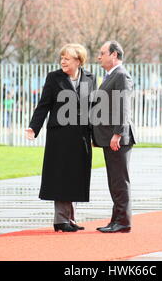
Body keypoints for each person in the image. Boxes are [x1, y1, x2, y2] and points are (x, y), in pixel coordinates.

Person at [25, 43, 96, 232]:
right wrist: (34, 127)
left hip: (81, 136)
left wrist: (95, 135)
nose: (63, 61)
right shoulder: (54, 78)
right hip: (60, 137)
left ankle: (69, 218)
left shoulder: (90, 78)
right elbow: (44, 105)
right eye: (61, 58)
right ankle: (61, 220)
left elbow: (92, 109)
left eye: (67, 58)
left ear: (78, 60)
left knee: (75, 176)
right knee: (61, 176)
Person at [93, 41, 136, 233]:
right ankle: (116, 220)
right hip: (110, 137)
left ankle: (123, 223)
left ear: (114, 55)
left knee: (119, 180)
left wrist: (117, 133)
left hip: (117, 138)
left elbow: (123, 107)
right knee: (114, 180)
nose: (99, 57)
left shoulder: (121, 75)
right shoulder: (111, 75)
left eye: (103, 53)